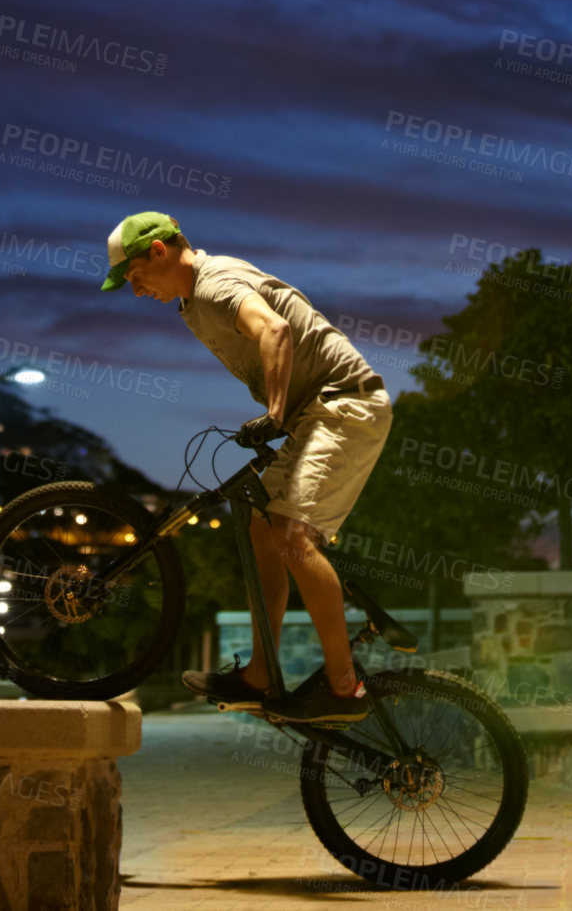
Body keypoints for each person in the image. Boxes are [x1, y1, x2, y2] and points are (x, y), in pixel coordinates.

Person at [100, 210, 392, 722]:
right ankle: (259, 675)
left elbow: (275, 331)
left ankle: (345, 688)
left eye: (133, 276)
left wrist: (275, 413)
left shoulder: (214, 286)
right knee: (262, 528)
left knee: (292, 538)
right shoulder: (193, 302)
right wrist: (284, 417)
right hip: (313, 414)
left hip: (343, 405)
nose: (135, 290)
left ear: (159, 251)